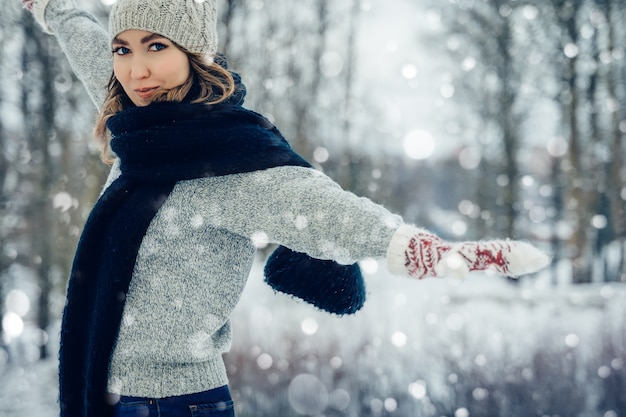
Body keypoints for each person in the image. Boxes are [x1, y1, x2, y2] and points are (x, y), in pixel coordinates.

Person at [21, 0, 551, 416]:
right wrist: (53, 8)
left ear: (193, 52)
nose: (136, 70)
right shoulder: (142, 132)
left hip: (170, 404)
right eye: (124, 49)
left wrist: (430, 253)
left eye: (155, 46)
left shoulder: (227, 161)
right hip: (113, 393)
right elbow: (91, 51)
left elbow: (321, 209)